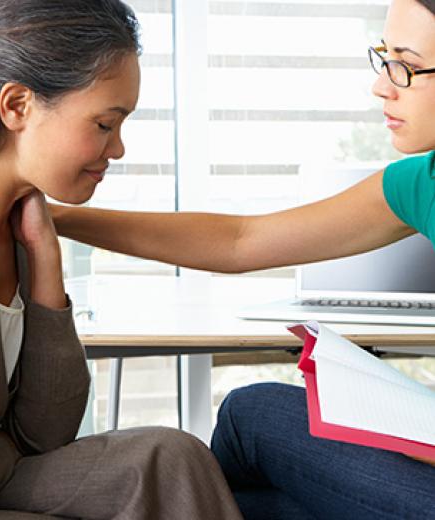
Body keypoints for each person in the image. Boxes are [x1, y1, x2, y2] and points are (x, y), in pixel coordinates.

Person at [50, 0, 435, 518]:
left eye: (406, 66)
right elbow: (240, 241)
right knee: (260, 504)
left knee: (251, 414)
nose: (382, 85)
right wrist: (57, 218)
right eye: (383, 57)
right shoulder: (419, 184)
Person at [0, 1, 246, 519]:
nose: (118, 148)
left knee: (170, 459)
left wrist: (46, 262)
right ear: (17, 106)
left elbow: (46, 430)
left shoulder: (20, 222)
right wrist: (5, 445)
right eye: (104, 124)